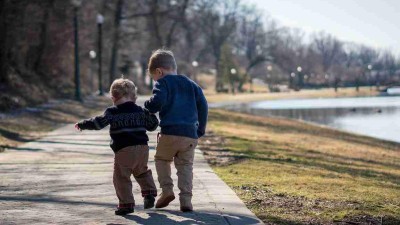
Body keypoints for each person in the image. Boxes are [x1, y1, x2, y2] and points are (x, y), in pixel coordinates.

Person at [75, 78, 158, 216]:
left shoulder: (112, 112)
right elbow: (153, 125)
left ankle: (126, 204)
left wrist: (83, 124)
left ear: (113, 97)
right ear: (134, 97)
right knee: (141, 171)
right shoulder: (140, 111)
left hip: (124, 150)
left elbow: (98, 123)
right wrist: (151, 114)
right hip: (143, 148)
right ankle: (149, 193)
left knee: (121, 177)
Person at [144, 49, 208, 212]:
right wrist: (200, 129)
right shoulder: (192, 84)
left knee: (162, 159)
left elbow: (157, 101)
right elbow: (203, 105)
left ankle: (167, 190)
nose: (155, 81)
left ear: (159, 71)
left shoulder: (163, 82)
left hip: (170, 132)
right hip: (189, 135)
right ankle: (186, 200)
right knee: (186, 166)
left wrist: (148, 106)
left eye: (154, 78)